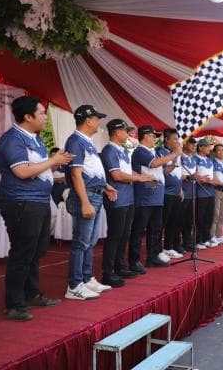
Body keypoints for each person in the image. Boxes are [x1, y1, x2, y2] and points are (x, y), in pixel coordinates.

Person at [0, 96, 73, 321]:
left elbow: (38, 168)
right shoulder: (13, 139)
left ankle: (31, 293)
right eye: (41, 114)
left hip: (39, 200)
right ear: (28, 117)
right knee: (22, 251)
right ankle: (14, 303)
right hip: (22, 201)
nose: (44, 118)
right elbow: (22, 171)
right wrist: (52, 161)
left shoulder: (37, 140)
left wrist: (54, 161)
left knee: (37, 250)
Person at [64, 105, 117, 300]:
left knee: (90, 241)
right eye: (96, 118)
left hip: (94, 193)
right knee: (81, 242)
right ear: (88, 120)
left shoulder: (86, 141)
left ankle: (86, 279)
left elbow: (90, 170)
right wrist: (85, 202)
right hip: (85, 195)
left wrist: (104, 185)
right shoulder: (75, 141)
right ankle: (74, 285)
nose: (98, 122)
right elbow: (76, 174)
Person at [101, 119, 156, 288]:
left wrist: (144, 177)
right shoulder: (109, 150)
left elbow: (127, 171)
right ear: (117, 132)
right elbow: (117, 175)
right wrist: (140, 177)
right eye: (126, 131)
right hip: (117, 199)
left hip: (128, 198)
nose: (128, 134)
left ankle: (120, 266)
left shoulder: (123, 150)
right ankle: (108, 272)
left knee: (124, 235)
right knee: (115, 236)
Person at [130, 126, 180, 271]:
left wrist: (173, 160)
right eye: (153, 136)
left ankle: (153, 256)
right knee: (139, 230)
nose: (155, 139)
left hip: (156, 197)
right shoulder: (140, 151)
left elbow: (158, 173)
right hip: (145, 198)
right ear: (145, 136)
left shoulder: (150, 152)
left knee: (156, 229)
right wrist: (175, 153)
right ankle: (134, 261)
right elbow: (153, 165)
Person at [156, 128, 185, 258]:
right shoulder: (160, 152)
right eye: (174, 139)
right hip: (165, 192)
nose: (177, 141)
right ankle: (158, 250)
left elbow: (178, 173)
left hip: (176, 192)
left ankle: (169, 247)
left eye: (177, 139)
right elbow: (161, 172)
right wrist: (174, 160)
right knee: (163, 222)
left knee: (175, 221)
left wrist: (180, 189)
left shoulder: (176, 153)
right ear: (166, 139)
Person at [194, 138, 218, 247]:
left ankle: (206, 238)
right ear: (200, 147)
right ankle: (198, 240)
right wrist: (201, 179)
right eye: (207, 146)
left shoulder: (210, 160)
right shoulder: (195, 159)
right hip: (200, 192)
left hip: (211, 192)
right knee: (200, 217)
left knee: (209, 216)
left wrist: (213, 181)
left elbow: (213, 175)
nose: (209, 148)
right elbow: (192, 174)